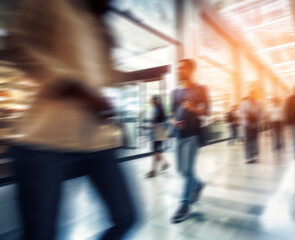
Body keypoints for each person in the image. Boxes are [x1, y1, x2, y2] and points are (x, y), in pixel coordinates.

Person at [6, 0, 139, 239]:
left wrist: (112, 47)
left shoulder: (99, 23)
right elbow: (17, 43)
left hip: (97, 140)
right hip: (45, 138)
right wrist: (72, 86)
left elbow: (103, 76)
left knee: (126, 217)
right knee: (40, 233)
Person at [170, 59, 209, 223]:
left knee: (188, 169)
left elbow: (206, 112)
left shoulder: (200, 89)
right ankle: (198, 185)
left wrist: (192, 108)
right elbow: (171, 114)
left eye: (182, 68)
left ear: (191, 70)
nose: (179, 71)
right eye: (178, 68)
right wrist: (174, 122)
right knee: (181, 170)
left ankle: (184, 204)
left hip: (193, 134)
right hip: (179, 135)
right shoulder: (174, 92)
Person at [145, 95, 170, 178]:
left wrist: (149, 123)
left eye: (151, 101)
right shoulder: (159, 108)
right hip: (159, 133)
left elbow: (155, 120)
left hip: (157, 132)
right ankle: (164, 163)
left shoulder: (157, 108)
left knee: (155, 152)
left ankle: (153, 170)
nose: (150, 102)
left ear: (154, 101)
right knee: (157, 151)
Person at [240, 90, 263, 163]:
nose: (253, 96)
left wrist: (257, 118)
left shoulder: (258, 103)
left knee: (254, 140)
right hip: (247, 124)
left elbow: (261, 113)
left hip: (255, 124)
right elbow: (241, 112)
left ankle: (253, 155)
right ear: (249, 95)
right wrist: (247, 116)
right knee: (248, 141)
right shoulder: (244, 103)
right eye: (252, 95)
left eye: (254, 95)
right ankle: (248, 157)